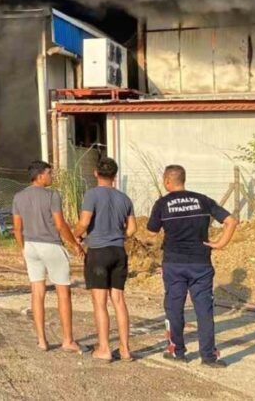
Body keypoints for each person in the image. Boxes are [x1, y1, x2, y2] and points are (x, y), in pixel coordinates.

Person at [146, 165, 239, 368]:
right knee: (204, 310)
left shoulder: (162, 203)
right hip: (200, 264)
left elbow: (151, 232)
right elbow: (231, 221)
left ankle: (177, 351)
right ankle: (208, 357)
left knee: (174, 308)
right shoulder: (202, 200)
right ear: (183, 179)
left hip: (174, 264)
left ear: (167, 181)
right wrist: (219, 244)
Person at [12, 159, 84, 353]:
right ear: (40, 175)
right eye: (49, 173)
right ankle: (67, 340)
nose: (51, 176)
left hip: (30, 246)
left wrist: (22, 248)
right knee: (63, 293)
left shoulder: (18, 197)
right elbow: (60, 225)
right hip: (51, 246)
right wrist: (75, 244)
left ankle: (42, 340)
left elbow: (17, 227)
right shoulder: (52, 195)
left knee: (37, 292)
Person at [72, 157, 136, 362]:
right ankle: (125, 350)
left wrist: (76, 235)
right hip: (118, 251)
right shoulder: (125, 198)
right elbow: (133, 229)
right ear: (115, 176)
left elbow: (84, 222)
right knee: (118, 300)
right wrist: (119, 236)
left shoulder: (91, 195)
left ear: (95, 173)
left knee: (100, 303)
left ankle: (104, 349)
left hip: (98, 252)